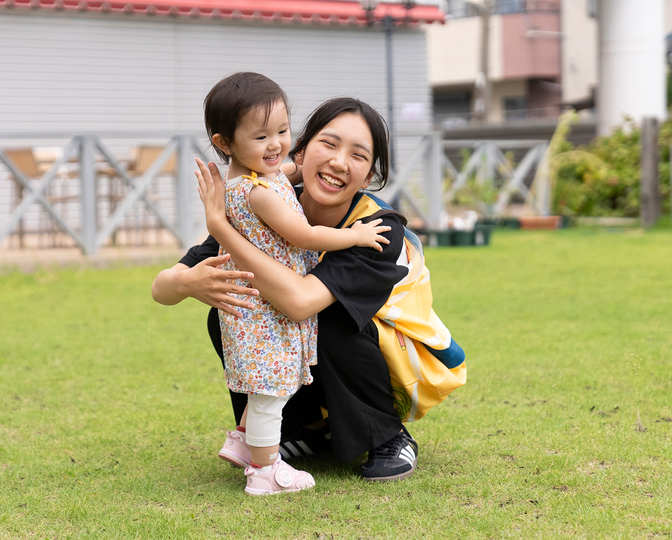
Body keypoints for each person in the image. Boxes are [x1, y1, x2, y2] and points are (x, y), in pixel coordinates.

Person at [152, 96, 467, 484]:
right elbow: (161, 289)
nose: (338, 162)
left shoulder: (376, 230)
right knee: (231, 307)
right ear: (301, 151)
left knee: (327, 317)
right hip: (304, 352)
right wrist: (187, 282)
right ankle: (303, 431)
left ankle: (386, 435)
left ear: (367, 176)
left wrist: (222, 230)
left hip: (398, 362)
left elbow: (300, 303)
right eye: (329, 144)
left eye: (358, 155)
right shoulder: (266, 205)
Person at [191, 73, 392, 496]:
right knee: (270, 389)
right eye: (261, 136)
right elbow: (304, 238)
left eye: (282, 132)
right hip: (268, 317)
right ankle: (266, 472)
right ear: (225, 143)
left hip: (272, 313)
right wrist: (355, 235)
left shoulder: (266, 176)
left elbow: (290, 168)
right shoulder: (259, 193)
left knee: (272, 383)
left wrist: (303, 160)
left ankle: (245, 441)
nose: (275, 145)